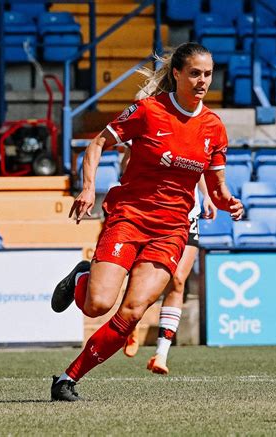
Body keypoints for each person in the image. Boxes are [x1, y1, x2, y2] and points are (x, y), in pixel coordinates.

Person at [49, 42, 244, 401]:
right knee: (97, 305)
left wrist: (228, 200)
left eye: (208, 74)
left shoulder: (213, 127)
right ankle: (82, 275)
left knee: (133, 311)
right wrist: (89, 188)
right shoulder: (148, 111)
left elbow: (217, 189)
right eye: (195, 73)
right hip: (129, 217)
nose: (203, 81)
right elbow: (96, 146)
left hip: (171, 231)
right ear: (177, 74)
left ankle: (67, 379)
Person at [122, 145, 217, 375]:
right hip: (155, 212)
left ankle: (161, 354)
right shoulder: (151, 121)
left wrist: (206, 196)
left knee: (177, 279)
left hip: (188, 215)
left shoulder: (194, 126)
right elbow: (125, 167)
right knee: (142, 276)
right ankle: (131, 320)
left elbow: (197, 167)